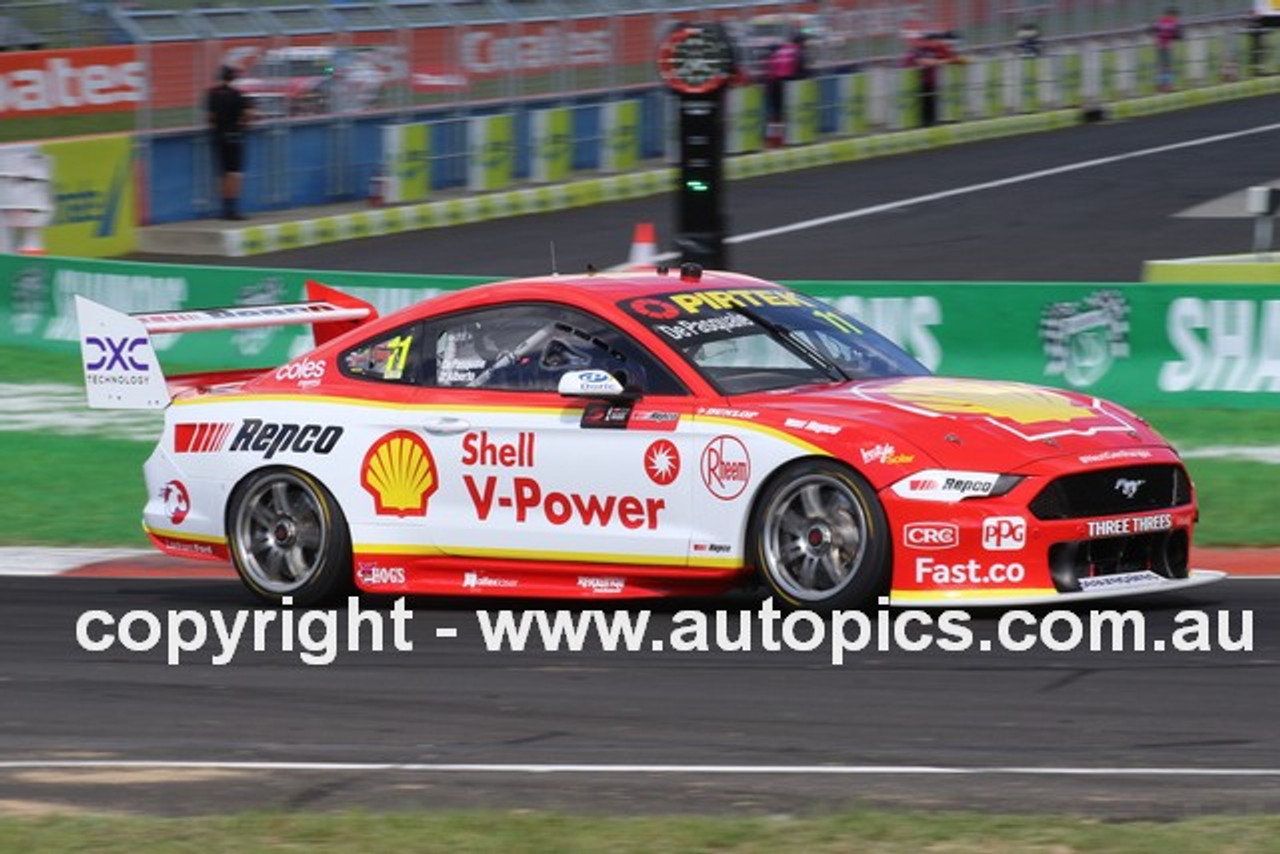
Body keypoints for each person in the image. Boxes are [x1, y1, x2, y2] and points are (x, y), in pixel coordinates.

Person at [206, 65, 251, 220]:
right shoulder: (238, 95)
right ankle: (232, 209)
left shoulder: (212, 94)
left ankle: (223, 208)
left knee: (222, 173)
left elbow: (210, 118)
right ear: (233, 78)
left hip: (218, 136)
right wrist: (242, 126)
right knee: (234, 174)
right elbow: (248, 116)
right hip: (234, 135)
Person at [902, 35, 956, 128]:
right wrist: (944, 61)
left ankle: (931, 122)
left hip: (931, 81)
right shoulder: (915, 52)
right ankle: (923, 123)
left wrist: (947, 57)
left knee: (932, 102)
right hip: (918, 83)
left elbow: (945, 56)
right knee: (924, 103)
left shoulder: (929, 51)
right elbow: (925, 62)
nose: (934, 43)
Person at [764, 38, 801, 147]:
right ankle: (780, 140)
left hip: (772, 85)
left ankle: (772, 140)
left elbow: (770, 74)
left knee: (773, 115)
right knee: (780, 114)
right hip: (780, 85)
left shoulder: (772, 58)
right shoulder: (784, 57)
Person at [1152, 7, 1182, 92]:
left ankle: (1159, 86)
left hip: (1159, 45)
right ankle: (1168, 85)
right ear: (1173, 15)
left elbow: (1153, 30)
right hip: (1168, 46)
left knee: (1160, 66)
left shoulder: (1159, 21)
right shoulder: (1174, 22)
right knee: (1168, 66)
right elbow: (1178, 35)